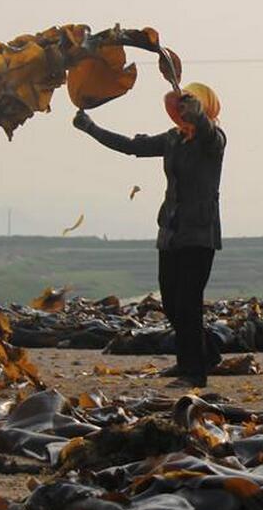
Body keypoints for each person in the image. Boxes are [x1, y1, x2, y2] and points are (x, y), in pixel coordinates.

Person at [73, 83, 226, 386]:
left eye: (190, 105)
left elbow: (208, 132)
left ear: (204, 107)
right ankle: (205, 354)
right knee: (171, 303)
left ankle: (194, 373)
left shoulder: (213, 140)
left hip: (199, 233)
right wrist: (91, 128)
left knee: (188, 303)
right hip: (170, 232)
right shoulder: (173, 139)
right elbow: (132, 146)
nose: (182, 111)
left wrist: (199, 117)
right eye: (181, 106)